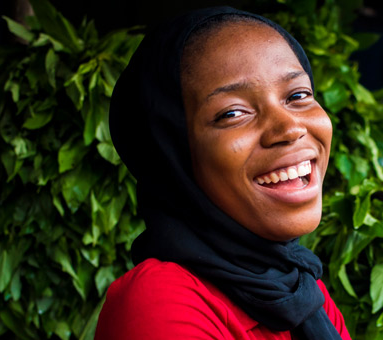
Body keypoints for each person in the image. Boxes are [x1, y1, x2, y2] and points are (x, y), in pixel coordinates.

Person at [95, 7, 350, 340]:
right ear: (175, 154)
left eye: (298, 95)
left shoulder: (303, 287)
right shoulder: (163, 302)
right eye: (232, 113)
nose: (289, 128)